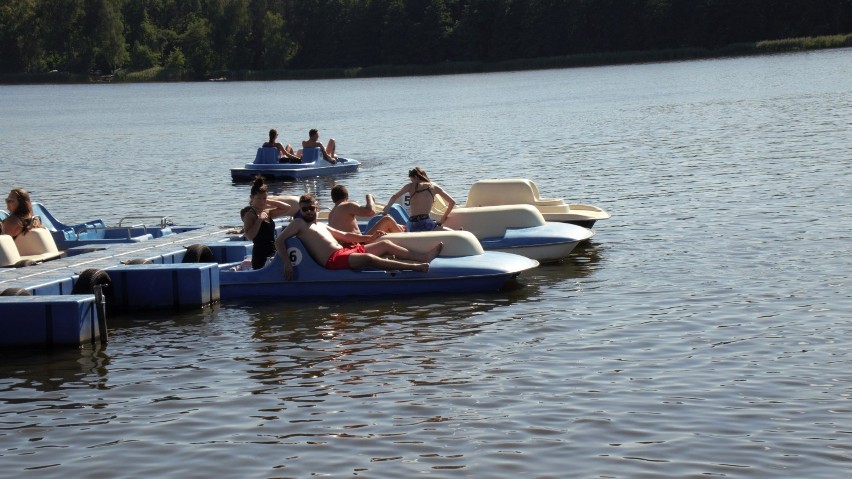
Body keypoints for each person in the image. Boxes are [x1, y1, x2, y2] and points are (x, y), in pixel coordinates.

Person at [274, 194, 442, 280]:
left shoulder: (320, 225)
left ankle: (423, 257)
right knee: (368, 258)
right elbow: (279, 240)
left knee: (385, 243)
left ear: (316, 208)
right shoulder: (299, 224)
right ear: (300, 211)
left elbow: (345, 235)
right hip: (333, 260)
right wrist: (287, 263)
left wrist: (371, 238)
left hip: (346, 251)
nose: (308, 212)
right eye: (304, 209)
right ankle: (416, 267)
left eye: (311, 208)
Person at [241, 176, 299, 269]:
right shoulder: (250, 214)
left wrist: (269, 201)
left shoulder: (267, 212)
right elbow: (249, 236)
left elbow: (287, 207)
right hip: (260, 254)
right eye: (258, 198)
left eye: (264, 198)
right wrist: (259, 220)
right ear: (252, 197)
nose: (262, 201)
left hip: (273, 252)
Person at [382, 167, 456, 232]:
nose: (412, 182)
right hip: (426, 223)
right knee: (445, 230)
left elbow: (394, 196)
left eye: (412, 180)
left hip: (412, 225)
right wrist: (443, 217)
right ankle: (457, 233)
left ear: (416, 177)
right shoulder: (434, 187)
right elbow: (452, 202)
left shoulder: (410, 186)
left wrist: (386, 210)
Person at [327, 184, 405, 237]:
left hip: (346, 243)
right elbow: (371, 212)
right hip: (358, 243)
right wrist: (369, 197)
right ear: (347, 196)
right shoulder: (347, 205)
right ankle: (408, 242)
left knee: (389, 227)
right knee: (387, 220)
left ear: (333, 199)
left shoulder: (331, 213)